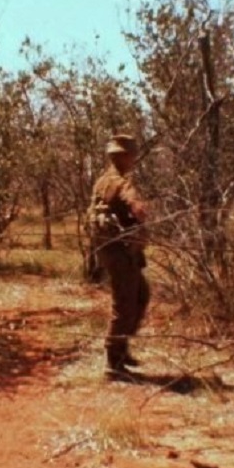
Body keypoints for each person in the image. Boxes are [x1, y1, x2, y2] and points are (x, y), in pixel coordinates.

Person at [89, 134, 150, 376]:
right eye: (132, 155)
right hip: (120, 251)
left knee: (140, 294)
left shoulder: (102, 181)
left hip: (110, 249)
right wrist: (141, 213)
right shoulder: (121, 183)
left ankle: (121, 348)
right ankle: (114, 361)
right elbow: (136, 207)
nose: (134, 159)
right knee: (125, 302)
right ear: (124, 157)